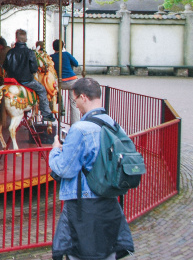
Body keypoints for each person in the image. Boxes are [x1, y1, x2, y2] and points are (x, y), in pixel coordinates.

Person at [50, 77, 134, 260]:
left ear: (83, 97)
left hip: (84, 203)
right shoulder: (113, 124)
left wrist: (55, 152)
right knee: (107, 251)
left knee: (82, 252)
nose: (76, 105)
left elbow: (65, 169)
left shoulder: (81, 129)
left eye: (75, 100)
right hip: (110, 201)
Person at [4, 29, 55, 122]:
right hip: (26, 80)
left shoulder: (10, 52)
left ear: (16, 39)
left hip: (11, 80)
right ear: (26, 39)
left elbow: (5, 66)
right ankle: (46, 113)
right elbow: (34, 68)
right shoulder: (30, 52)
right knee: (42, 89)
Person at [52, 39, 82, 124]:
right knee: (74, 103)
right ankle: (75, 123)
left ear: (53, 47)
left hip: (59, 82)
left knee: (51, 96)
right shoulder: (67, 54)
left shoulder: (52, 57)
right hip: (72, 80)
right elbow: (76, 63)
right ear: (63, 46)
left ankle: (60, 107)